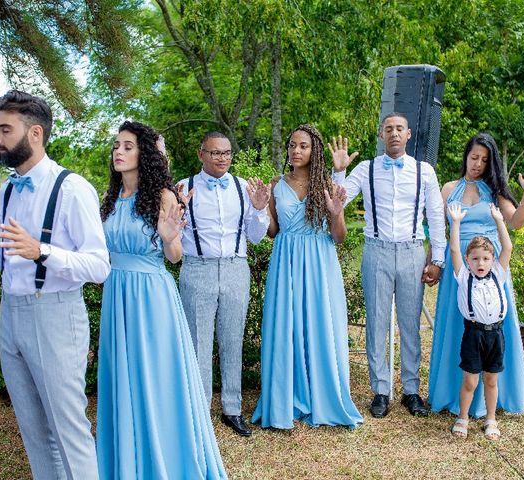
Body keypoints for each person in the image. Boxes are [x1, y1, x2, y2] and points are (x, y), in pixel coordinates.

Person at [0, 90, 110, 479]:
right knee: (33, 430)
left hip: (55, 314)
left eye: (4, 129)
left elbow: (99, 266)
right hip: (10, 315)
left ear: (34, 133)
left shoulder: (72, 187)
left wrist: (42, 251)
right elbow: (6, 258)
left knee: (68, 430)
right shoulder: (9, 188)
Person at [96, 121, 227, 479]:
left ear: (145, 154)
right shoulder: (108, 200)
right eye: (116, 146)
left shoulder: (163, 197)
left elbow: (175, 256)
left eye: (127, 146)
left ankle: (165, 456)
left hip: (151, 297)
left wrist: (170, 237)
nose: (118, 152)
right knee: (123, 376)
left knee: (156, 378)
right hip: (117, 294)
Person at [331, 113, 446, 418]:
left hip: (412, 251)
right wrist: (339, 172)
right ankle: (380, 391)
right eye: (388, 129)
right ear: (381, 135)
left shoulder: (425, 172)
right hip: (377, 251)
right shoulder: (366, 169)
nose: (394, 133)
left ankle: (411, 391)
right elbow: (337, 201)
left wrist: (438, 259)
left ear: (408, 134)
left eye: (399, 129)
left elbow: (435, 215)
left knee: (410, 325)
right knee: (377, 322)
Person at [251, 124, 364, 429]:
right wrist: (260, 210)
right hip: (286, 259)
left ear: (314, 151)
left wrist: (337, 211)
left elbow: (339, 237)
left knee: (319, 323)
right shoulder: (276, 184)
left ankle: (322, 396)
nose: (296, 151)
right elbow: (273, 232)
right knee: (286, 325)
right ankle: (286, 396)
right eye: (291, 145)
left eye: (303, 146)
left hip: (319, 261)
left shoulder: (326, 184)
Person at [428, 133, 524, 417]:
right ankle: (455, 395)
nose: (477, 164)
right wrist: (433, 262)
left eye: (484, 160)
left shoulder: (495, 190)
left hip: (491, 271)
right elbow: (438, 232)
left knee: (493, 329)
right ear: (466, 155)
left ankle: (496, 397)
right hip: (458, 271)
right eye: (474, 157)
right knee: (457, 330)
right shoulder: (449, 188)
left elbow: (516, 223)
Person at [177, 131, 270, 437]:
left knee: (232, 340)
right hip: (197, 269)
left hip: (235, 269)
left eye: (227, 153)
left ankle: (232, 408)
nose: (221, 158)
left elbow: (256, 236)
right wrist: (176, 214)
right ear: (200, 154)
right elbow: (172, 241)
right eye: (215, 153)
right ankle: (199, 412)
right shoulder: (182, 187)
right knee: (197, 344)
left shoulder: (245, 188)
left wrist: (258, 209)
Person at [447, 203, 512, 440]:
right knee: (470, 380)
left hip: (496, 334)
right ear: (468, 259)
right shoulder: (464, 276)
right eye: (475, 259)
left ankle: (491, 419)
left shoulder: (499, 273)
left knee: (491, 380)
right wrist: (455, 222)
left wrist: (498, 219)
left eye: (485, 258)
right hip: (473, 334)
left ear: (492, 259)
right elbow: (454, 250)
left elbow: (508, 246)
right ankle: (462, 418)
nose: (481, 263)